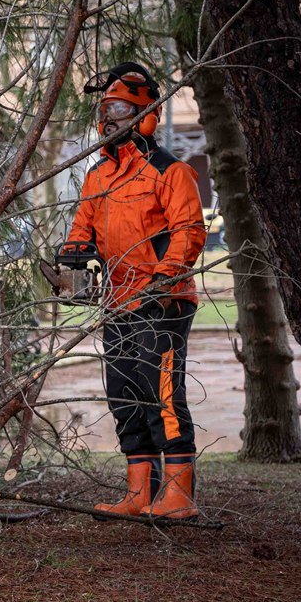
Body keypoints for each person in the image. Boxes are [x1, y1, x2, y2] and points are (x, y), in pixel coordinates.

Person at [66, 63, 207, 520]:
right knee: (123, 391)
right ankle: (139, 493)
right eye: (104, 111)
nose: (109, 120)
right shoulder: (98, 177)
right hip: (118, 301)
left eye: (121, 110)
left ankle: (179, 494)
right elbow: (81, 229)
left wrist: (162, 280)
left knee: (161, 392)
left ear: (146, 113)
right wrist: (72, 257)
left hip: (162, 300)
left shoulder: (171, 171)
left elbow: (189, 231)